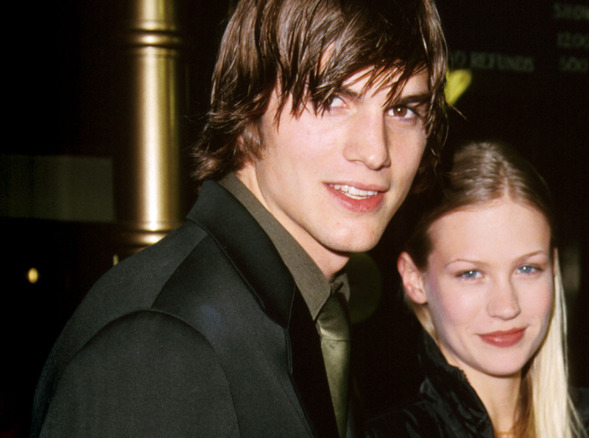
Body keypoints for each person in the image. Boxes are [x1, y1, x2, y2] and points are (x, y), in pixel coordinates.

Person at [30, 0, 447, 436]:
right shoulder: (162, 344)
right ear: (248, 110)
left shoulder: (298, 309)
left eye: (403, 110)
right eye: (332, 99)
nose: (376, 151)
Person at [366, 141, 589, 438]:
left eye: (527, 268)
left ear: (554, 267)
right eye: (471, 273)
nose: (507, 307)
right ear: (415, 279)